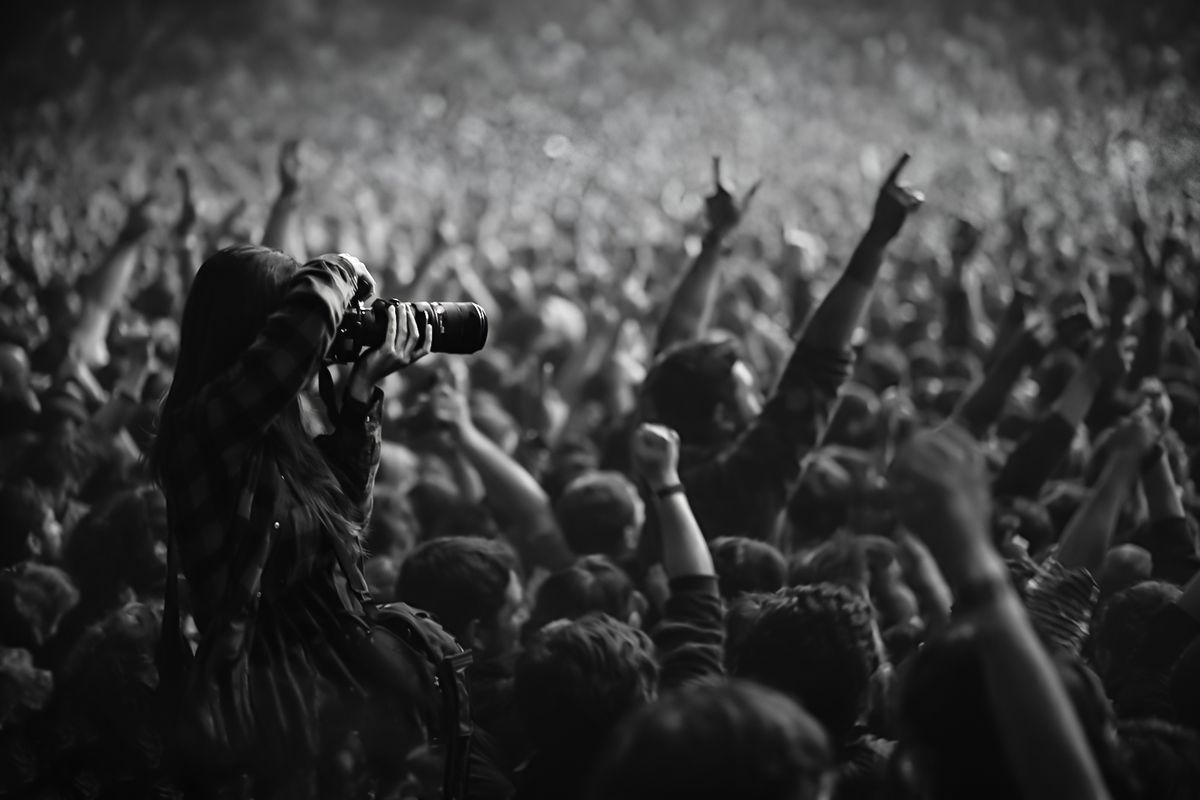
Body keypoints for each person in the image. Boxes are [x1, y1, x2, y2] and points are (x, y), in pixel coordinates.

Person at [149, 245, 433, 798]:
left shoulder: (278, 431)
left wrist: (358, 395)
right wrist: (344, 265)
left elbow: (347, 524)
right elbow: (300, 335)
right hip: (268, 711)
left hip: (324, 687)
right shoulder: (201, 429)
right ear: (254, 331)